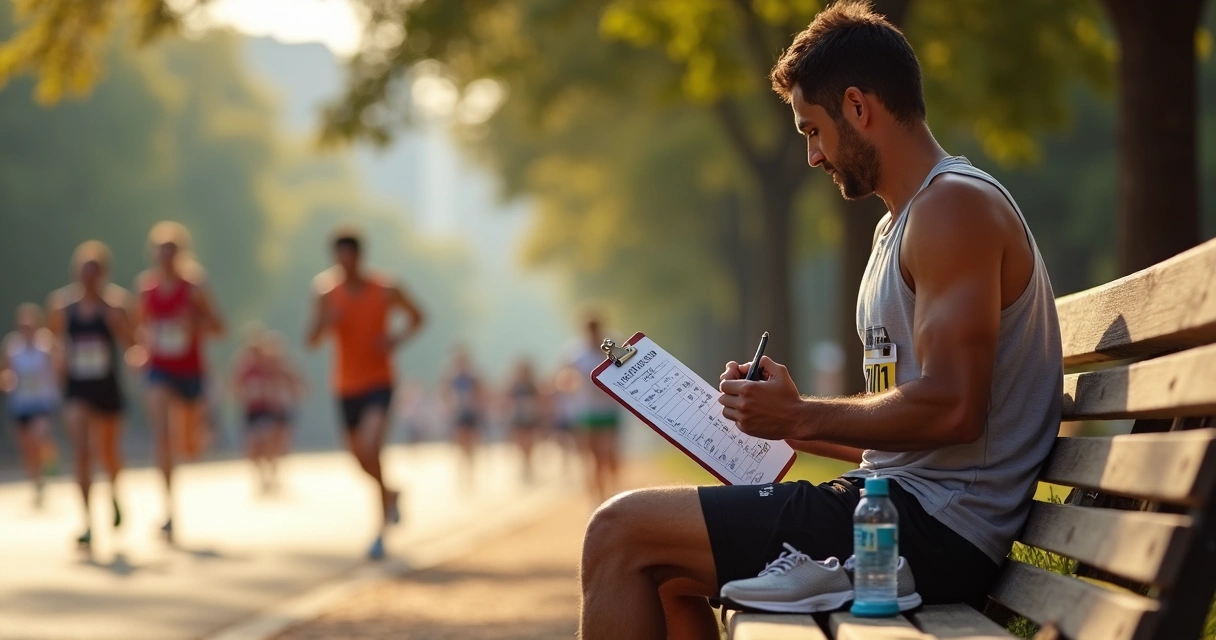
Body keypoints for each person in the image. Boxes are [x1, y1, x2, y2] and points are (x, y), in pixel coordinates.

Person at [578, 5, 1063, 638]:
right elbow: (909, 426)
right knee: (662, 568)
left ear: (858, 108)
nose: (811, 155)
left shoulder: (953, 208)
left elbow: (954, 409)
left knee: (618, 530)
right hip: (897, 507)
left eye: (812, 130)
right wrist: (783, 422)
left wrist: (802, 415)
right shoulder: (902, 223)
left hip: (932, 530)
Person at [306, 226, 425, 560]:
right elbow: (311, 341)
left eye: (350, 257)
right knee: (358, 458)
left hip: (379, 380)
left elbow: (418, 316)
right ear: (334, 259)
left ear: (360, 257)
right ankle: (390, 494)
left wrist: (395, 339)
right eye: (339, 259)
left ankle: (379, 532)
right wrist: (326, 321)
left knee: (372, 446)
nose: (345, 265)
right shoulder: (325, 292)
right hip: (345, 385)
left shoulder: (386, 288)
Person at [134, 221, 226, 541]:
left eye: (171, 253)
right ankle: (169, 510)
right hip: (160, 369)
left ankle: (201, 431)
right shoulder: (147, 288)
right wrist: (141, 352)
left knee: (186, 446)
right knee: (162, 435)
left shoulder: (194, 286)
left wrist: (195, 324)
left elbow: (219, 326)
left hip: (190, 372)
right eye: (161, 253)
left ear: (181, 254)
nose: (166, 259)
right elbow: (143, 329)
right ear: (154, 255)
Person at [46, 241, 135, 547]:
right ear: (76, 273)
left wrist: (119, 326)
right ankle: (87, 522)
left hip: (107, 387)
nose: (89, 278)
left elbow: (133, 344)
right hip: (77, 388)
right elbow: (54, 341)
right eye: (84, 271)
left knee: (108, 453)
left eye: (95, 272)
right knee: (82, 452)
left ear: (104, 274)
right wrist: (56, 360)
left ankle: (113, 493)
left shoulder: (117, 305)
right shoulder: (61, 306)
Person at [1, 304, 60, 508]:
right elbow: (6, 371)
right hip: (21, 403)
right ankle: (37, 482)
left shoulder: (46, 344)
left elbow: (58, 368)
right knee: (27, 447)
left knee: (38, 437)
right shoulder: (12, 346)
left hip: (42, 400)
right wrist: (6, 381)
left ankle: (50, 457)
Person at [565, 313, 622, 504]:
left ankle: (612, 489)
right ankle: (597, 497)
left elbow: (628, 367)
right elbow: (564, 377)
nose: (593, 334)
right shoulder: (577, 352)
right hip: (586, 411)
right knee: (591, 456)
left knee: (607, 453)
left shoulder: (611, 346)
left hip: (608, 409)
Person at [442, 346, 485, 482]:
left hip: (470, 413)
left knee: (471, 441)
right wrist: (449, 407)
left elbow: (480, 393)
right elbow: (445, 394)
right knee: (460, 441)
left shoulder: (473, 377)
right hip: (458, 413)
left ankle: (470, 468)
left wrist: (478, 406)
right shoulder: (452, 377)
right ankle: (463, 467)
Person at [505, 358, 545, 484]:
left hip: (530, 418)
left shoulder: (532, 386)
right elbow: (507, 401)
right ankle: (525, 465)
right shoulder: (514, 386)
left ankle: (528, 465)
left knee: (529, 444)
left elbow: (540, 401)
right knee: (521, 444)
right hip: (518, 418)